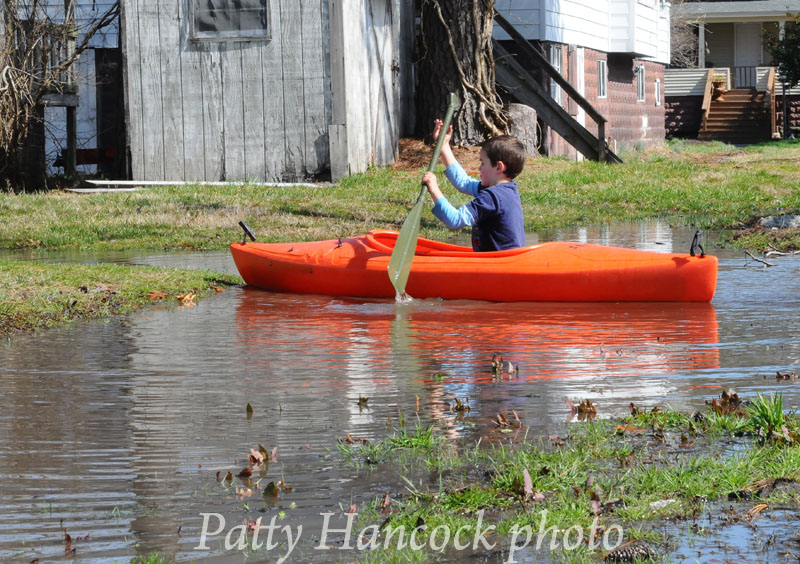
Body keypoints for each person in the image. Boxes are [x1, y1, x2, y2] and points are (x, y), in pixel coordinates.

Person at [421, 120, 527, 252]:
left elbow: (455, 220)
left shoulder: (492, 197)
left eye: (483, 163)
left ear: (499, 167)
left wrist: (434, 189)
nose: (479, 168)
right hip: (501, 259)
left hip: (501, 262)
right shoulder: (505, 191)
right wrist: (444, 147)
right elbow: (463, 182)